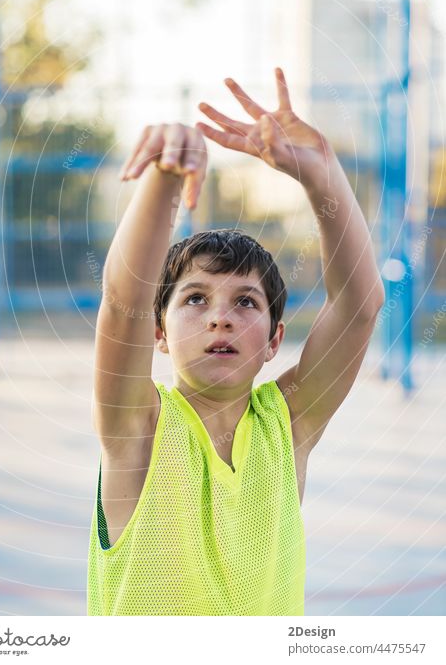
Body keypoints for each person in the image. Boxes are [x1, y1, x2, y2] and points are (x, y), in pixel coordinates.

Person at [87, 68, 385, 616]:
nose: (219, 317)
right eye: (195, 299)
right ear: (159, 333)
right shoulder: (138, 428)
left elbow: (360, 307)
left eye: (245, 301)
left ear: (274, 341)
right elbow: (123, 300)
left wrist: (323, 179)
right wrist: (167, 177)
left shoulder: (288, 426)